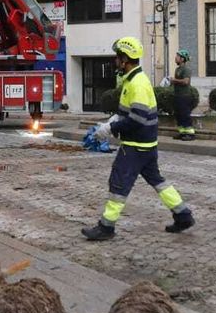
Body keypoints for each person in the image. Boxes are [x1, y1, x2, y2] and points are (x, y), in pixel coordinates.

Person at [82, 37, 195, 240]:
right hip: (145, 145)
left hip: (136, 146)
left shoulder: (138, 83)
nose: (115, 60)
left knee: (118, 183)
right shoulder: (132, 80)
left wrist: (110, 128)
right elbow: (127, 112)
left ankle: (106, 227)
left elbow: (137, 119)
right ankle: (183, 215)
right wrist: (111, 121)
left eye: (117, 57)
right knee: (157, 181)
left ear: (125, 59)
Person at [171, 49, 197, 140]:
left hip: (184, 96)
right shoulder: (177, 69)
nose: (175, 58)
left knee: (185, 115)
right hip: (177, 95)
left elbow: (186, 81)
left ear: (182, 59)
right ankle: (182, 133)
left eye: (177, 56)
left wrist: (174, 80)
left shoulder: (186, 69)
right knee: (179, 115)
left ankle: (190, 134)